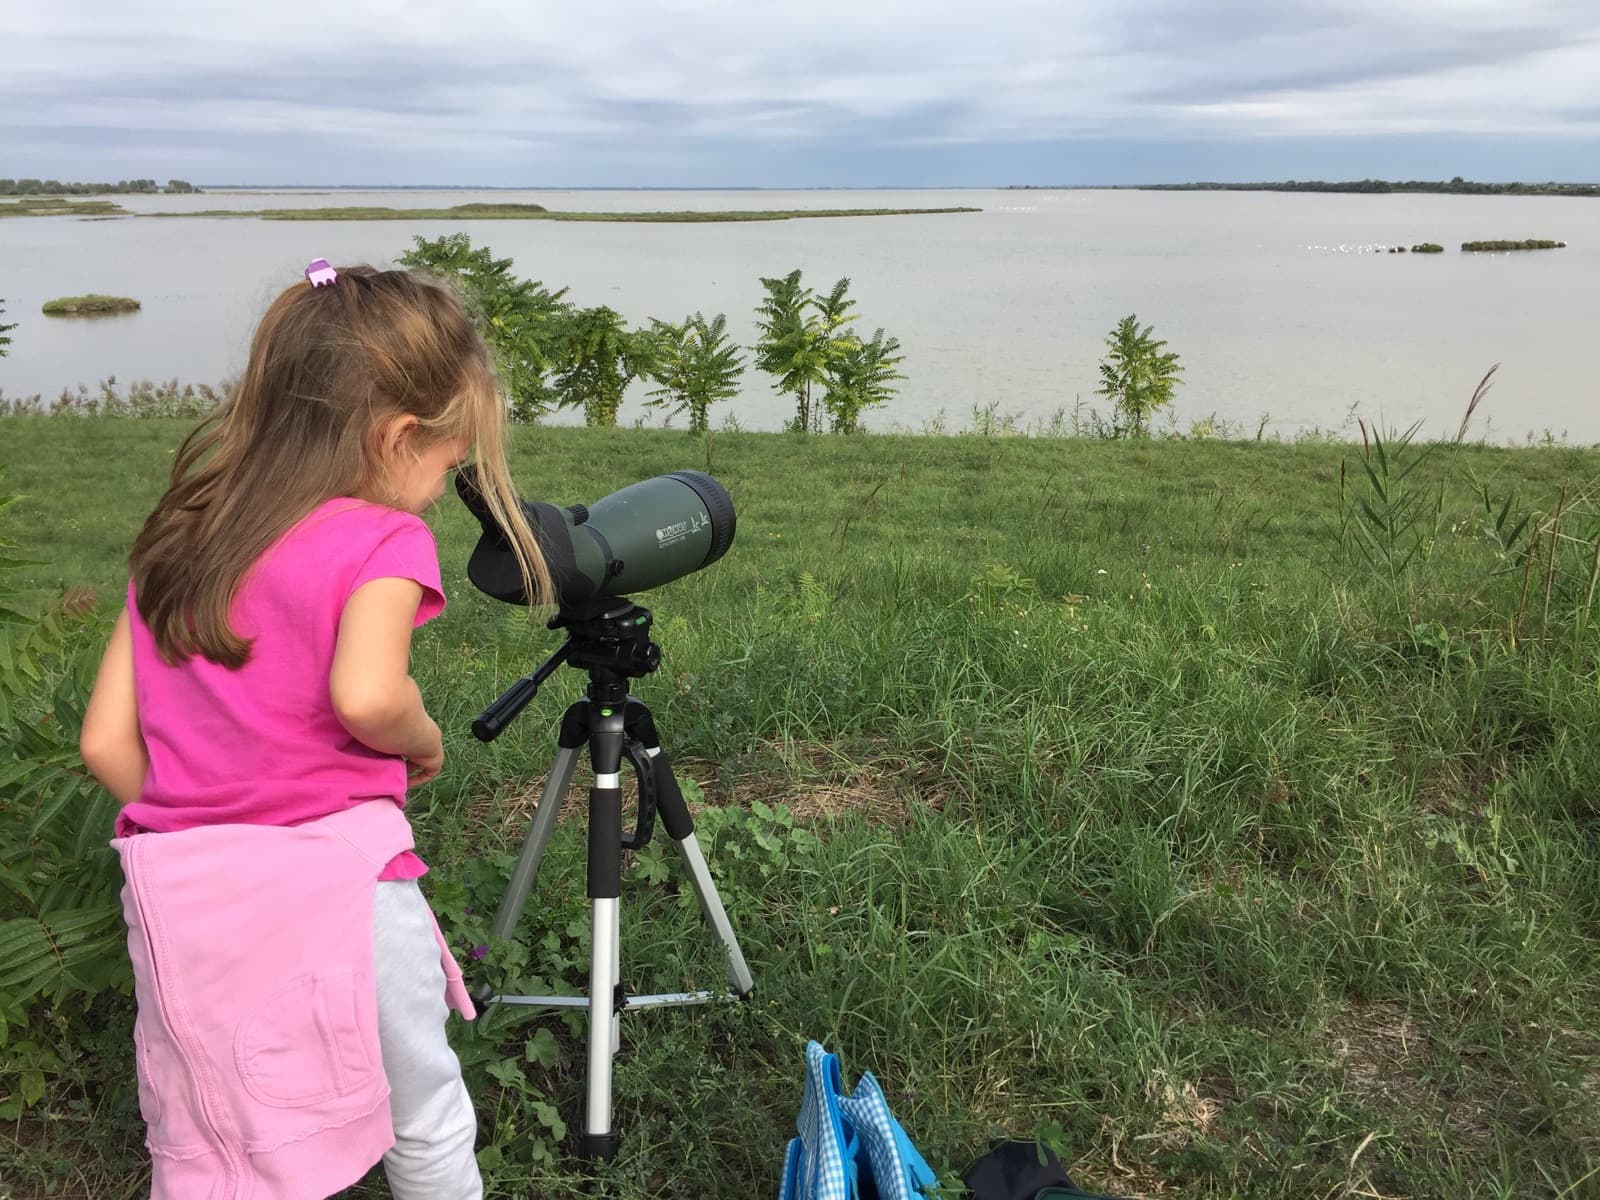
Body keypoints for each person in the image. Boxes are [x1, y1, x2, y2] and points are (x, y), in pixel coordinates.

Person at [78, 260, 552, 1199]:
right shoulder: (381, 538)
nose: (443, 482)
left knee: (218, 1129)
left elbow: (104, 742)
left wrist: (210, 818)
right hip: (341, 889)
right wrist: (423, 742)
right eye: (448, 459)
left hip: (185, 891)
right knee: (422, 1108)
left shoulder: (182, 531)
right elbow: (368, 697)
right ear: (396, 435)